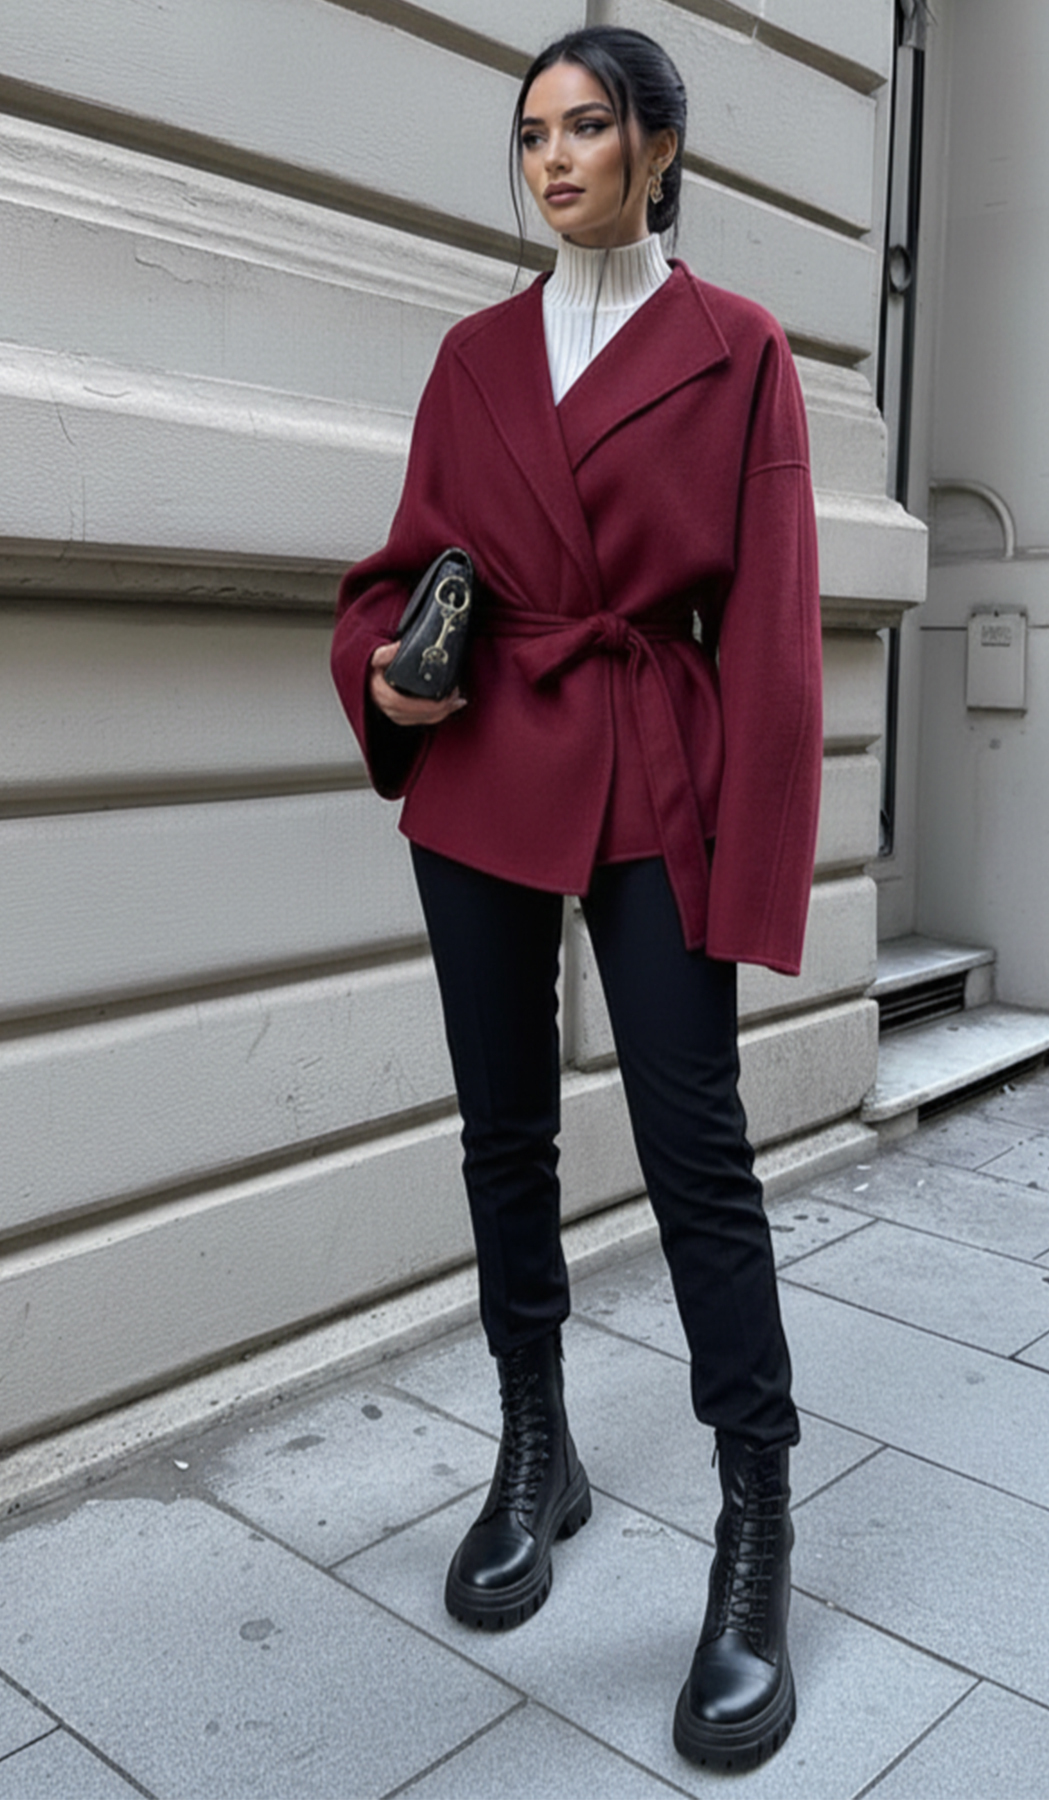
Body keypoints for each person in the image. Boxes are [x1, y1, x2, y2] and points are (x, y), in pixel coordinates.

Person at [330, 25, 822, 1773]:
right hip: (487, 761)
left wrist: (757, 862)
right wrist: (387, 678)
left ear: (659, 148)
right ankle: (536, 1448)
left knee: (698, 1146)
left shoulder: (741, 348)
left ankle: (755, 1524)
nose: (553, 158)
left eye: (588, 126)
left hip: (655, 754)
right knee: (504, 1131)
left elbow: (769, 634)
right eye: (532, 131)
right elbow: (397, 571)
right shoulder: (473, 355)